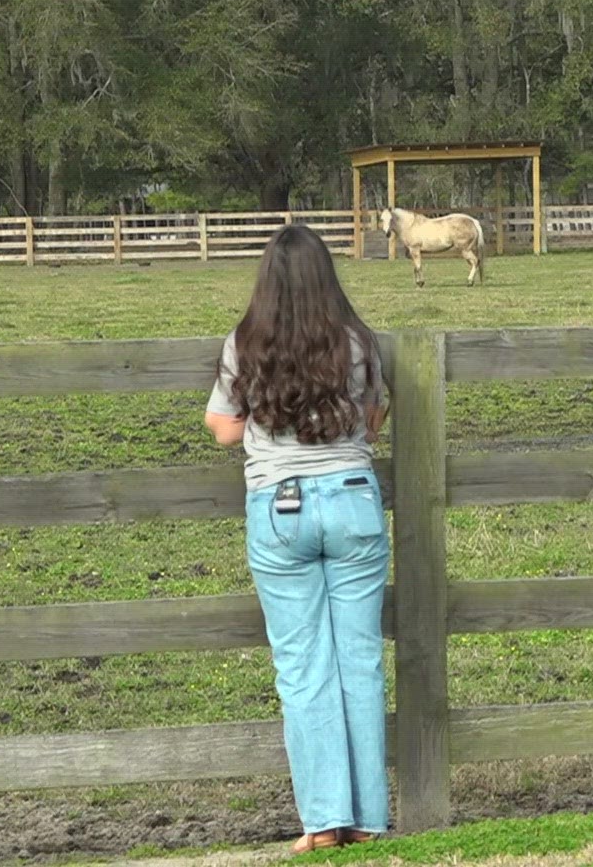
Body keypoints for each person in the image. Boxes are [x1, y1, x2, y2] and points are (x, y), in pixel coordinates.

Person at [205, 224, 389, 853]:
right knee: (358, 660)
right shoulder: (358, 341)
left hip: (279, 510)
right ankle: (368, 819)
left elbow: (223, 429)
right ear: (325, 277)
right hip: (354, 504)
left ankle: (323, 822)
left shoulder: (244, 342)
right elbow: (373, 417)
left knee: (302, 668)